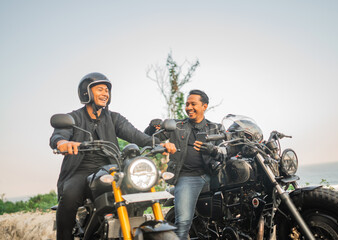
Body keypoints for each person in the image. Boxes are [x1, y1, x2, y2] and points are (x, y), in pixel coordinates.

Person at [49, 72, 176, 240]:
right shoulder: (74, 118)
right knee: (70, 196)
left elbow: (137, 136)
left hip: (111, 169)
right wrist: (63, 143)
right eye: (100, 89)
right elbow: (59, 135)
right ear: (86, 93)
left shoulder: (114, 118)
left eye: (107, 90)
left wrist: (160, 144)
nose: (105, 94)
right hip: (81, 171)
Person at [145, 89, 223, 240]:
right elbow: (150, 138)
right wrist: (151, 127)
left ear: (204, 106)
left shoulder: (216, 128)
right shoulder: (177, 126)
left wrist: (212, 150)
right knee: (183, 224)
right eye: (187, 104)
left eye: (193, 104)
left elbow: (225, 151)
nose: (188, 107)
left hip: (213, 175)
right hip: (188, 177)